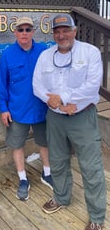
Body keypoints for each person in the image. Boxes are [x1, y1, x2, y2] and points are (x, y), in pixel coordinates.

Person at [33, 13, 106, 230]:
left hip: (82, 116)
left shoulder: (90, 52)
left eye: (66, 30)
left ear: (74, 31)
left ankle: (96, 216)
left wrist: (64, 98)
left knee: (91, 166)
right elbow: (37, 86)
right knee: (57, 161)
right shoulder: (45, 56)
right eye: (58, 31)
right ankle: (61, 197)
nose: (62, 34)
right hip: (55, 117)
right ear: (53, 34)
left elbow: (92, 86)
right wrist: (54, 102)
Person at [0, 16, 53, 201]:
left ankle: (47, 173)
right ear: (15, 32)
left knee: (44, 142)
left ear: (33, 32)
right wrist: (3, 108)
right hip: (17, 111)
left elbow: (52, 79)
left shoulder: (44, 52)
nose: (24, 33)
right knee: (17, 145)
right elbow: (1, 84)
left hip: (41, 109)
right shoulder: (7, 55)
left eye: (28, 29)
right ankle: (23, 179)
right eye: (21, 30)